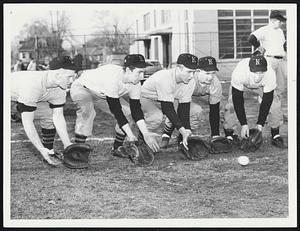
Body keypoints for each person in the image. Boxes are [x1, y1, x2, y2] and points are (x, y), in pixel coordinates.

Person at [70, 54, 160, 157]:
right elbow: (117, 111)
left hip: (103, 95)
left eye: (143, 72)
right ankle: (78, 150)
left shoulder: (136, 83)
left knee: (128, 113)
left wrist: (146, 134)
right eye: (139, 72)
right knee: (87, 111)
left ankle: (117, 148)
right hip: (83, 88)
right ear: (127, 70)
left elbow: (136, 110)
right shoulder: (112, 78)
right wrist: (131, 136)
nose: (142, 76)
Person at [11, 56, 78, 165]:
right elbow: (28, 122)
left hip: (28, 97)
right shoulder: (32, 85)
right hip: (10, 95)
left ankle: (49, 151)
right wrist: (40, 149)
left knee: (49, 114)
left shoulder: (59, 88)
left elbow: (58, 116)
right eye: (69, 77)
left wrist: (67, 145)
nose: (72, 80)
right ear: (57, 74)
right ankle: (17, 110)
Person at [160, 56, 224, 148]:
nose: (210, 77)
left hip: (193, 94)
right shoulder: (188, 78)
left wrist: (215, 135)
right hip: (178, 96)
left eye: (213, 73)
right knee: (180, 110)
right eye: (207, 73)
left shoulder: (215, 83)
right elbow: (180, 105)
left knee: (208, 109)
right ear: (197, 71)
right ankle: (166, 134)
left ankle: (185, 136)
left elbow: (214, 110)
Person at [223, 55, 286, 148]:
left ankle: (275, 134)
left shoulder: (270, 74)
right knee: (231, 105)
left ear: (266, 69)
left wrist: (260, 124)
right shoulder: (240, 72)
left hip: (261, 86)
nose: (258, 76)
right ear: (249, 69)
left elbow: (267, 101)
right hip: (243, 83)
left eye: (261, 72)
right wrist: (244, 124)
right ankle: (229, 134)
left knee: (275, 105)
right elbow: (238, 100)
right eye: (255, 72)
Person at [140, 53, 198, 150]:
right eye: (189, 71)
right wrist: (181, 128)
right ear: (178, 68)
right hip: (146, 97)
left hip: (168, 98)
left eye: (194, 72)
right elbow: (167, 108)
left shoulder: (190, 81)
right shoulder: (165, 77)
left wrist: (186, 129)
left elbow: (184, 107)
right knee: (156, 117)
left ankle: (170, 137)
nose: (192, 75)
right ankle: (142, 139)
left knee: (194, 110)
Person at [248, 10, 287, 141]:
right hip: (269, 59)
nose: (279, 23)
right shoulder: (265, 29)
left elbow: (284, 45)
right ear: (271, 20)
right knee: (268, 90)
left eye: (280, 21)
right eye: (277, 20)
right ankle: (268, 117)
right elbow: (251, 38)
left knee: (280, 89)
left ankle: (275, 113)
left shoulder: (280, 32)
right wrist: (259, 47)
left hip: (281, 60)